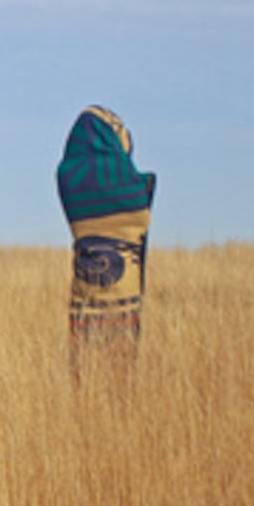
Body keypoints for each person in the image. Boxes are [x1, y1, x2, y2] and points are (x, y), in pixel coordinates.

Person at [56, 106, 156, 378]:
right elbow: (141, 204)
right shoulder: (122, 179)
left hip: (84, 296)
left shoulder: (68, 176)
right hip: (123, 289)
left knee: (86, 367)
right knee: (120, 369)